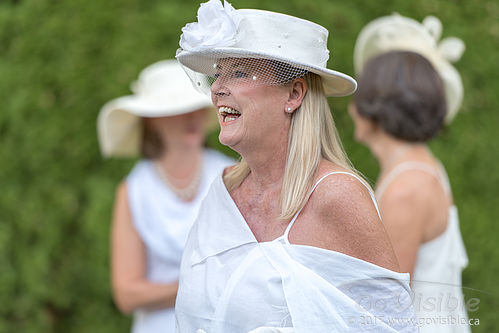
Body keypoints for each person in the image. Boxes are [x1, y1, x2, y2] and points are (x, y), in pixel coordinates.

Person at [174, 1, 418, 332]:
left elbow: (394, 327)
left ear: (294, 94)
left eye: (240, 73)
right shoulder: (223, 189)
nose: (217, 88)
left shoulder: (337, 196)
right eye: (218, 74)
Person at [350, 14, 469, 332]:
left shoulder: (407, 189)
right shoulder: (418, 167)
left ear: (377, 104)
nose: (352, 106)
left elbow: (386, 307)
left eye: (362, 93)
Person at [97, 59, 233, 333]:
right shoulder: (134, 190)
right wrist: (202, 286)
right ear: (152, 121)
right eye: (178, 109)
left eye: (195, 108)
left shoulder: (230, 175)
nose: (192, 117)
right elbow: (126, 294)